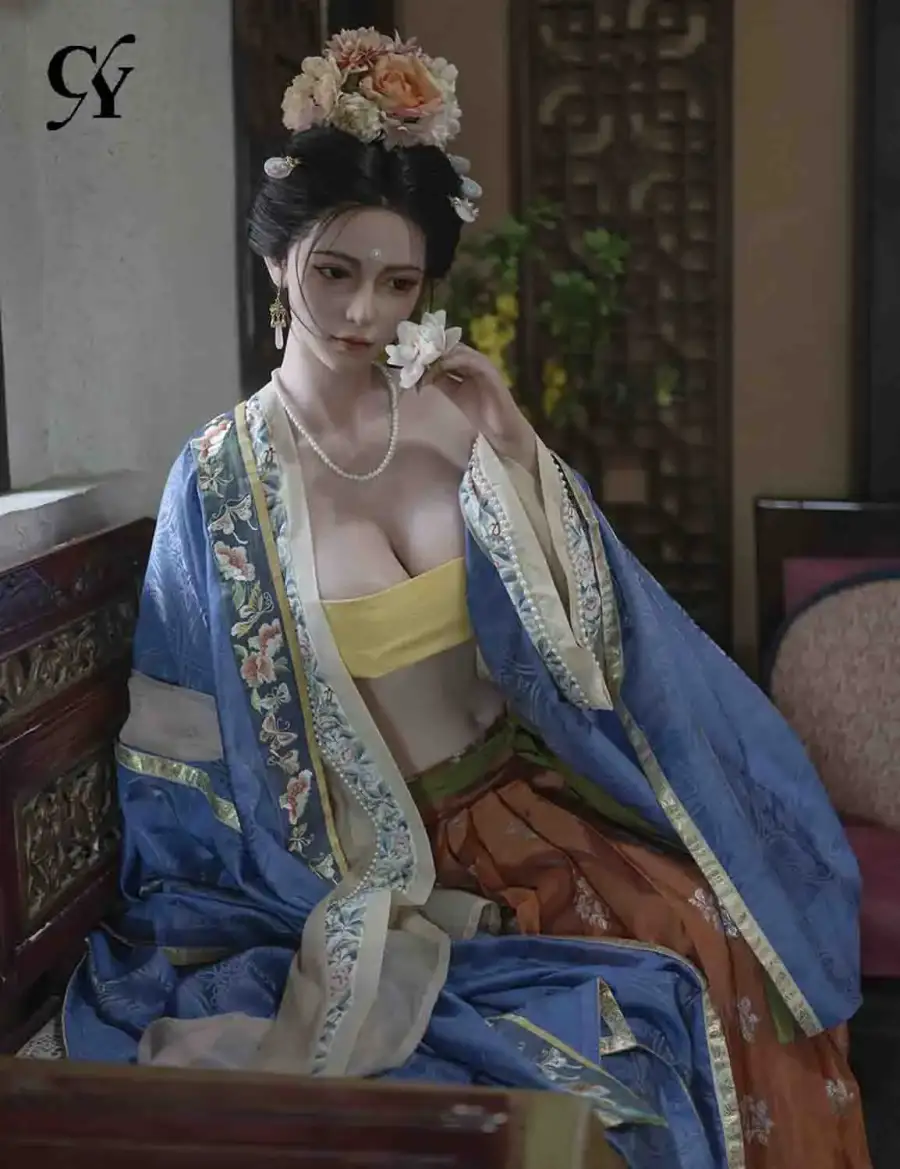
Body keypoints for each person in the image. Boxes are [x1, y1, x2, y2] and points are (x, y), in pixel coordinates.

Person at [64, 28, 870, 1169]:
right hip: (378, 858)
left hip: (535, 804)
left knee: (728, 925)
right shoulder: (220, 480)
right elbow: (185, 743)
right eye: (335, 272)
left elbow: (588, 650)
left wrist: (516, 445)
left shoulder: (452, 419)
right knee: (635, 1019)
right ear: (279, 262)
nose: (364, 312)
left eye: (398, 283)